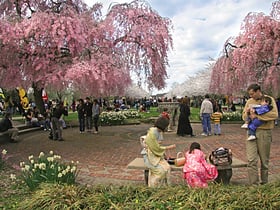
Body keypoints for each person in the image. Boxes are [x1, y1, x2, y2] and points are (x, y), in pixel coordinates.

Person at [242, 84, 278, 185]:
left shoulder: (269, 99)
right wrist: (248, 114)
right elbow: (244, 116)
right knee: (251, 160)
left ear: (258, 91)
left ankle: (264, 183)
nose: (251, 96)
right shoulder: (249, 102)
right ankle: (254, 184)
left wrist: (257, 116)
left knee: (264, 160)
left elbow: (274, 114)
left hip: (264, 132)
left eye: (252, 94)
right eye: (250, 94)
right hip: (251, 132)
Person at [141, 116, 176, 187]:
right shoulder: (152, 133)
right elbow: (156, 147)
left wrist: (165, 156)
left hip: (157, 155)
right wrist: (168, 147)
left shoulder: (159, 132)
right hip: (149, 155)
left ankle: (163, 186)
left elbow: (158, 147)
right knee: (160, 172)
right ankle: (154, 187)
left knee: (167, 167)